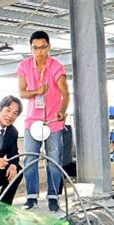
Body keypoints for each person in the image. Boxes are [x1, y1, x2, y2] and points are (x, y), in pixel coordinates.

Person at [16, 30, 70, 212]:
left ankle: (53, 197)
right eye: (35, 48)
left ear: (49, 47)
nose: (39, 51)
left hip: (53, 123)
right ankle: (31, 197)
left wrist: (62, 111)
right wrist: (36, 92)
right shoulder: (24, 66)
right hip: (32, 122)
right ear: (31, 48)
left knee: (54, 160)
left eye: (43, 47)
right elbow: (22, 92)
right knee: (30, 160)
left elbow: (66, 94)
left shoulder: (56, 67)